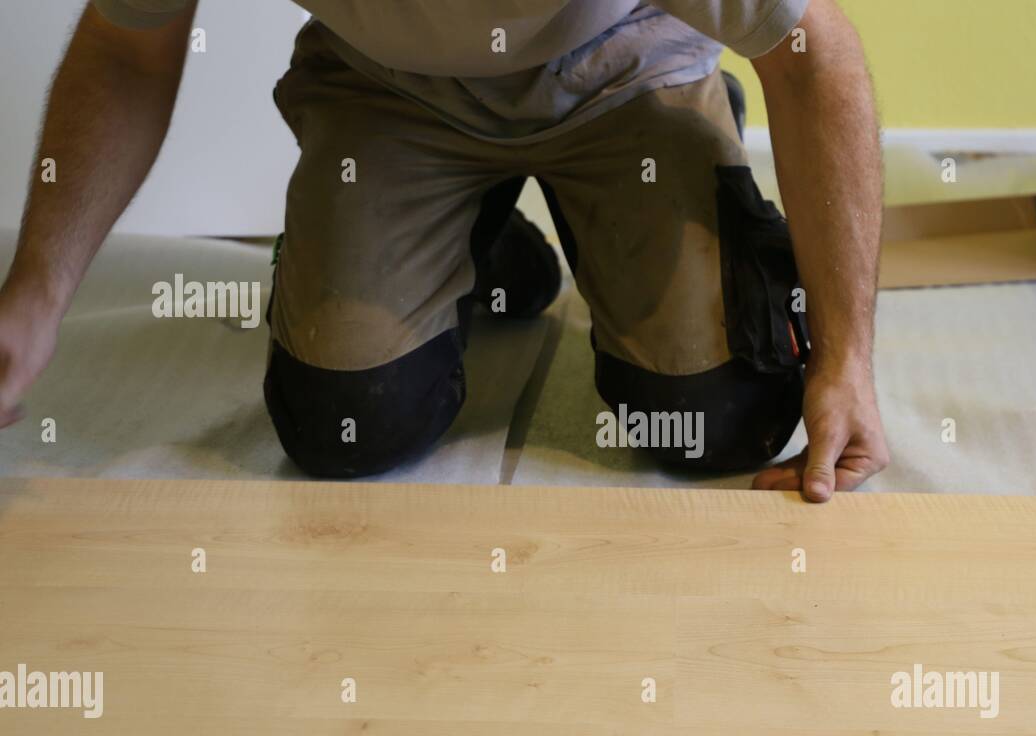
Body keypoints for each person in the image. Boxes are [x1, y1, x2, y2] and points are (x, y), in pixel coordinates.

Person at [0, 0, 889, 501]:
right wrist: (34, 299)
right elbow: (127, 49)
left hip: (624, 73)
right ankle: (480, 245)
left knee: (718, 419)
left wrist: (847, 359)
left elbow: (816, 57)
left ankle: (660, 184)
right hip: (392, 92)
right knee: (345, 426)